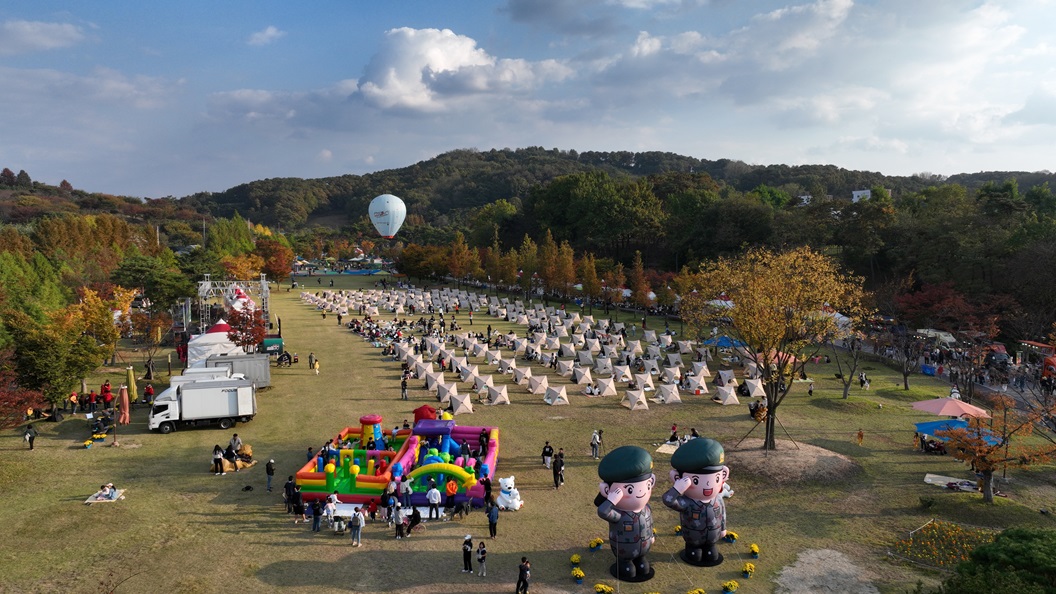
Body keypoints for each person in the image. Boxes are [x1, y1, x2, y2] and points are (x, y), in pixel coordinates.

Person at [663, 437, 729, 567]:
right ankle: (693, 550)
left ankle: (709, 548)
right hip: (693, 538)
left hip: (712, 537)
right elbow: (668, 500)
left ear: (723, 475)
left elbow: (722, 514)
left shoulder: (718, 499)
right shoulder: (687, 503)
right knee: (695, 555)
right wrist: (677, 489)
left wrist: (723, 528)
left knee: (712, 555)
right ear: (677, 478)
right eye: (696, 481)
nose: (708, 485)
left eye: (716, 478)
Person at [597, 445, 657, 581]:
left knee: (643, 567)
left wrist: (651, 536)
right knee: (628, 571)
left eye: (647, 485)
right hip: (624, 550)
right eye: (630, 489)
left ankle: (640, 559)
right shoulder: (619, 515)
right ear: (606, 490)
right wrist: (611, 500)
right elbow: (602, 512)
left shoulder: (646, 509)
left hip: (643, 547)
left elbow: (649, 522)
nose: (641, 492)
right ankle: (625, 563)